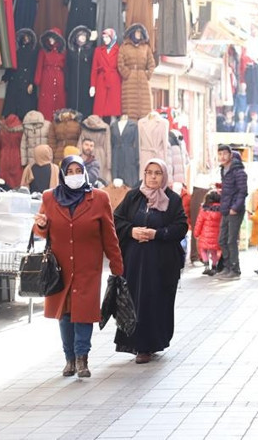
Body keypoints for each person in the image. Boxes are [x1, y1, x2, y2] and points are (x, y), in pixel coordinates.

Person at [33, 156, 123, 378]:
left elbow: (109, 236)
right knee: (64, 314)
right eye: (70, 171)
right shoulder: (50, 197)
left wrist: (117, 265)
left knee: (83, 314)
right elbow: (41, 230)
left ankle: (82, 359)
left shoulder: (99, 198)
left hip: (87, 267)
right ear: (63, 174)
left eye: (78, 170)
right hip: (60, 267)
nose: (74, 175)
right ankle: (69, 359)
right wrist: (41, 226)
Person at [113, 158, 188, 364]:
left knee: (155, 302)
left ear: (164, 176)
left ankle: (151, 344)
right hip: (135, 263)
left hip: (161, 264)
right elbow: (117, 220)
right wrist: (132, 231)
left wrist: (157, 234)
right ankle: (139, 346)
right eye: (149, 172)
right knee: (136, 301)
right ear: (144, 175)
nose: (153, 177)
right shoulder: (133, 196)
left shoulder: (172, 199)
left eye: (157, 173)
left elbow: (181, 227)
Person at [216, 145, 248, 278]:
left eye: (224, 154)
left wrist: (235, 208)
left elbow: (243, 192)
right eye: (220, 154)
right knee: (222, 240)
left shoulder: (239, 172)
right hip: (225, 209)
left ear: (230, 155)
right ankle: (227, 267)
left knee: (231, 240)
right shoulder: (223, 170)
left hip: (235, 211)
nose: (222, 157)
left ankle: (235, 270)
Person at [194, 190, 222, 276]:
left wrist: (196, 233)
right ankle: (214, 267)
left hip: (204, 235)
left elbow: (199, 222)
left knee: (203, 250)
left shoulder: (204, 210)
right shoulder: (221, 211)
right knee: (214, 251)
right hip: (216, 235)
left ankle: (206, 267)